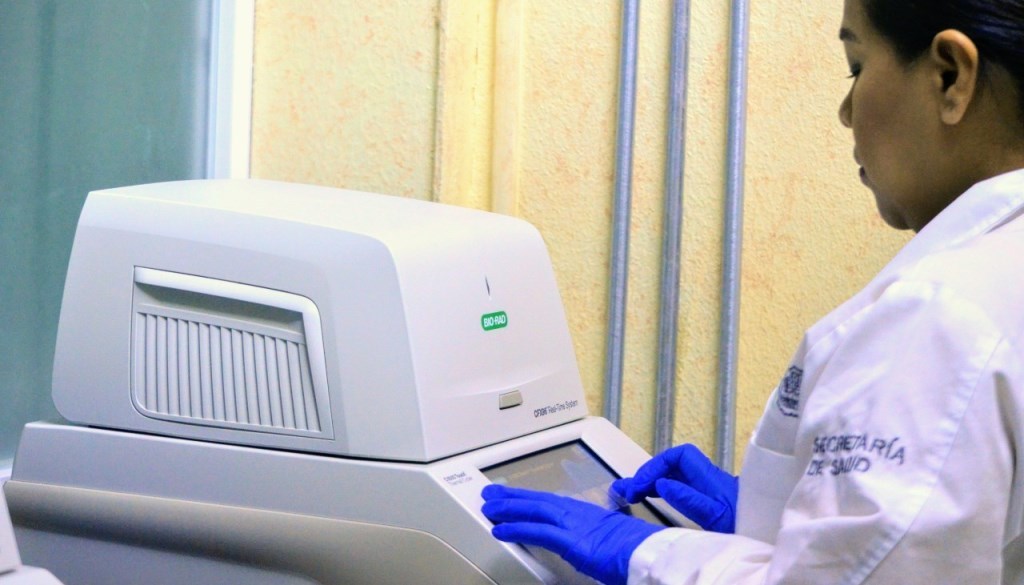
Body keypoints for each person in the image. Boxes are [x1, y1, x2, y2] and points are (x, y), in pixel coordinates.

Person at [480, 0, 1024, 583]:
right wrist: (778, 515)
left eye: (857, 67)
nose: (846, 112)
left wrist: (651, 555)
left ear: (950, 76)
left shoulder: (935, 318)